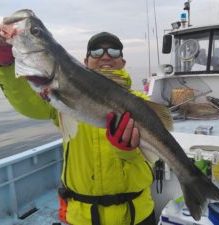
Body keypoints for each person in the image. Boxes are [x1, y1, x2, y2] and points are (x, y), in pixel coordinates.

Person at [0, 31, 156, 225]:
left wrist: (128, 152)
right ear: (85, 61)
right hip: (82, 217)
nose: (106, 56)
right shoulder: (63, 99)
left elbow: (149, 167)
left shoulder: (142, 104)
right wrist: (7, 64)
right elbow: (27, 104)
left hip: (135, 215)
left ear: (123, 62)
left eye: (114, 51)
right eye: (97, 51)